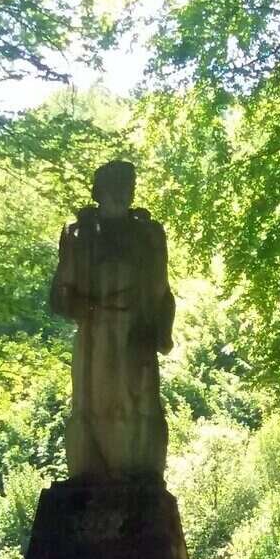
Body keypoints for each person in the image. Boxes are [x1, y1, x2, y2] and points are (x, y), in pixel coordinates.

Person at [50, 160, 175, 480]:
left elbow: (163, 292)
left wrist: (161, 332)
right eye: (114, 187)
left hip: (137, 337)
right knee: (92, 408)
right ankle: (89, 472)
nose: (122, 195)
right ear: (99, 192)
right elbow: (59, 295)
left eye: (127, 188)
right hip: (96, 341)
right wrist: (91, 308)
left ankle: (142, 474)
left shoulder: (149, 235)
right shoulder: (78, 235)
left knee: (141, 408)